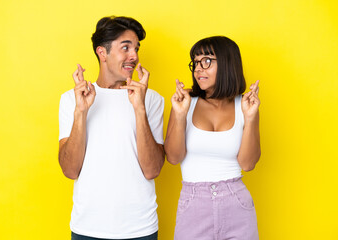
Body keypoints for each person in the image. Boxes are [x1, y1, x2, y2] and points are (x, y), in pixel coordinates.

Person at [58, 16, 165, 240]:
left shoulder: (152, 99)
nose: (134, 56)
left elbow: (153, 169)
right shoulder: (72, 99)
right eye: (125, 47)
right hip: (87, 228)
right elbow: (70, 170)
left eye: (136, 48)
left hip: (141, 229)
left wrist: (139, 109)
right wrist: (81, 112)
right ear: (102, 53)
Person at [164, 36, 261, 240]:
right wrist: (180, 115)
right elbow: (173, 157)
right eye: (196, 62)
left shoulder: (244, 105)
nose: (198, 68)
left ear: (227, 63)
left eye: (206, 60)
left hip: (237, 203)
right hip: (193, 204)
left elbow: (248, 163)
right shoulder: (185, 103)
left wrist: (250, 118)